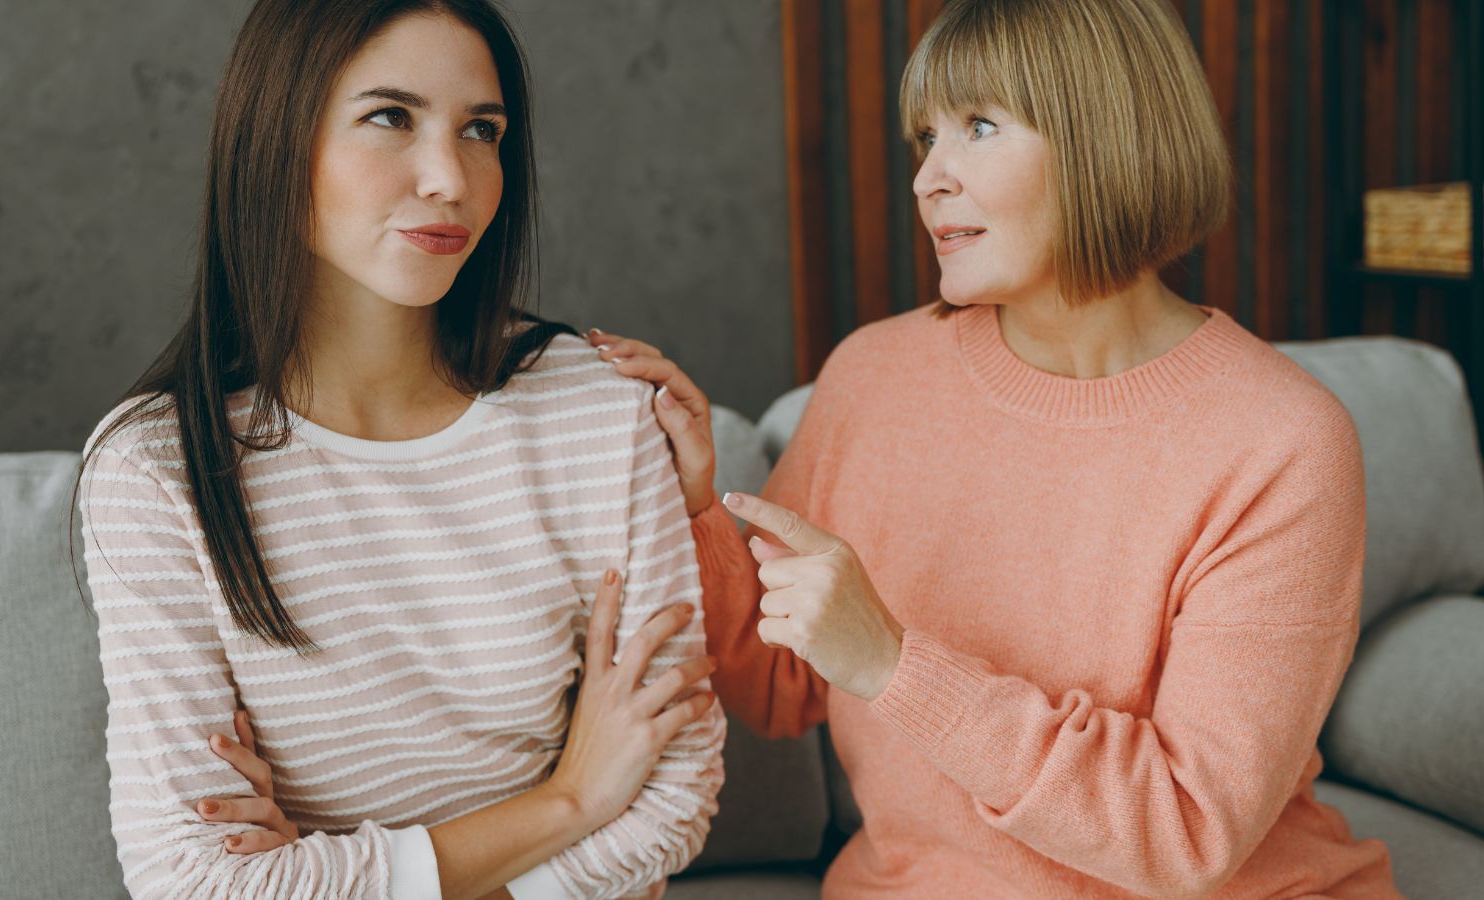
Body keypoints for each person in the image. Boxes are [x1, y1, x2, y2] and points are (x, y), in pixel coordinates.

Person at [589, 0, 1402, 896]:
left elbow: (1186, 830)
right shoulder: (874, 378)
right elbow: (777, 685)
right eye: (925, 138)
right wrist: (699, 506)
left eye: (978, 126)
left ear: (1108, 137)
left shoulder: (1280, 440)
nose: (928, 179)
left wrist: (898, 667)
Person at [75, 1, 724, 898]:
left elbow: (677, 794)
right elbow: (195, 883)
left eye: (482, 131)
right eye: (392, 117)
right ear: (276, 138)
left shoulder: (595, 408)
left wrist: (334, 873)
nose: (449, 178)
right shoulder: (157, 471)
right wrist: (570, 802)